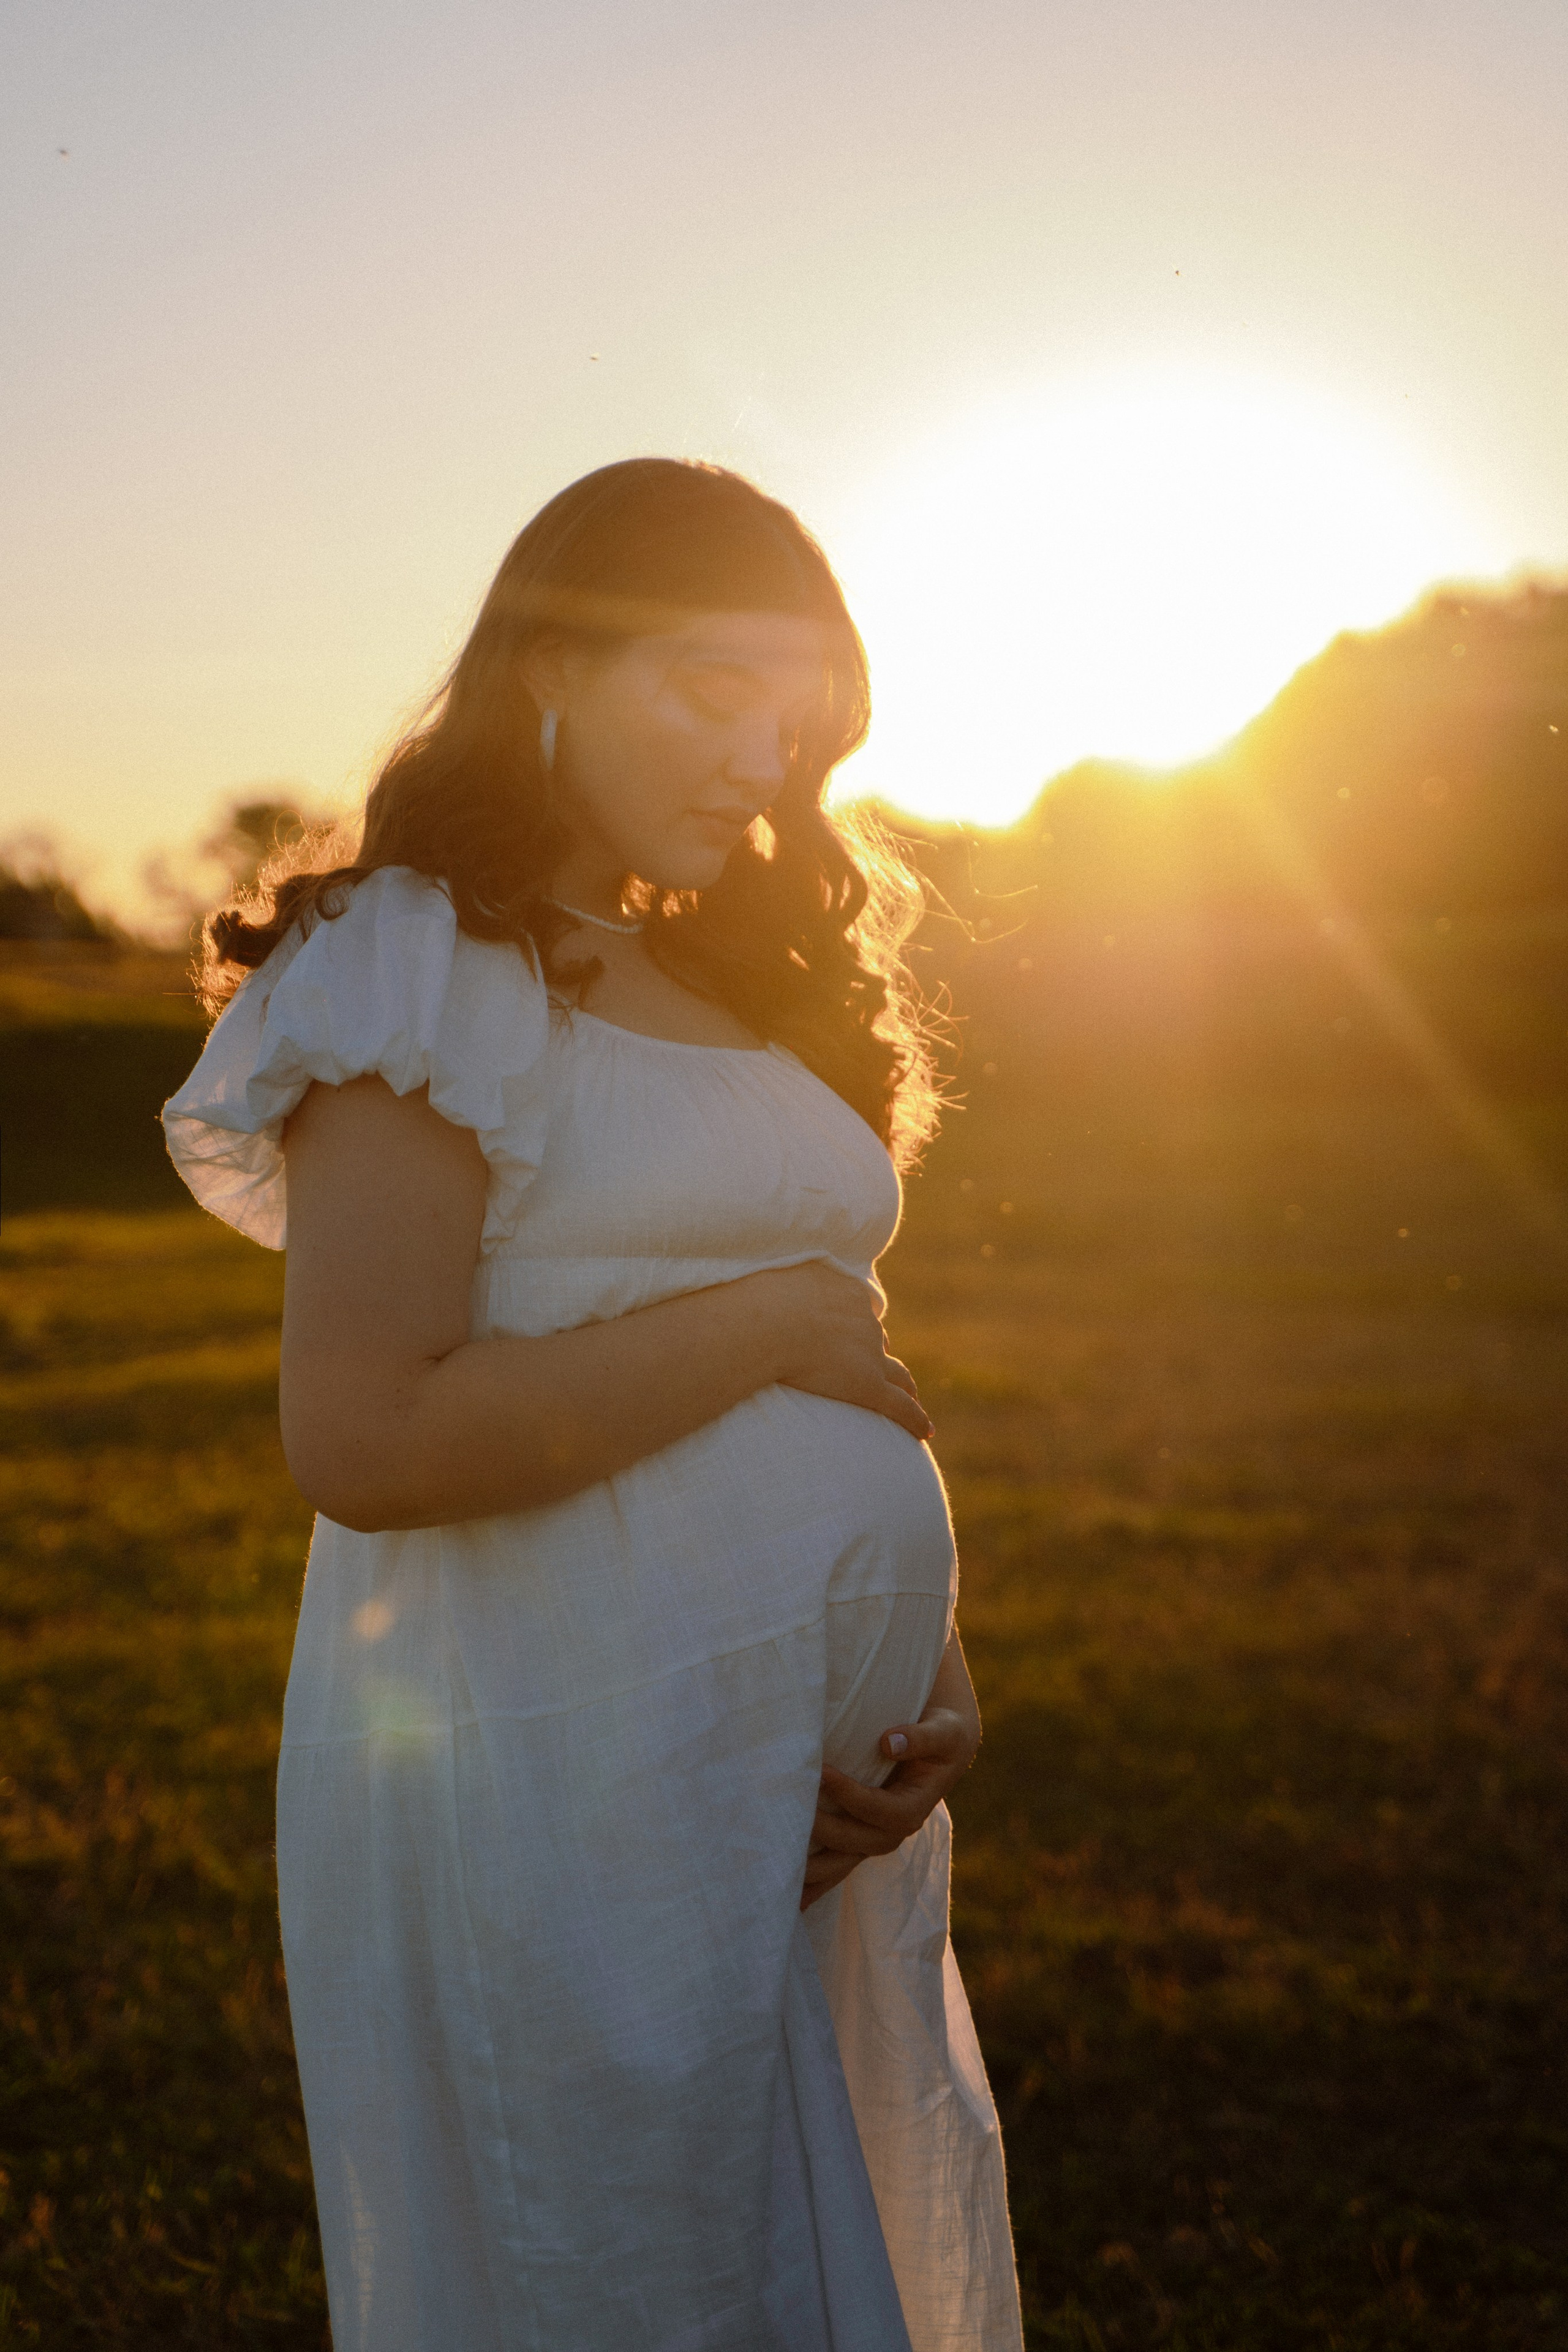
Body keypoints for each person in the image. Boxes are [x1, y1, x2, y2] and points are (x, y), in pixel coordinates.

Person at [162, 458, 1023, 2351]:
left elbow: (835, 1354)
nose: (761, 753)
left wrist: (917, 1681)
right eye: (713, 690)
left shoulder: (726, 965)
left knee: (820, 2249)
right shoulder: (418, 966)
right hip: (559, 1773)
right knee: (630, 2280)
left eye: (791, 713)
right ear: (550, 656)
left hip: (795, 1802)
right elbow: (369, 1440)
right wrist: (769, 1329)